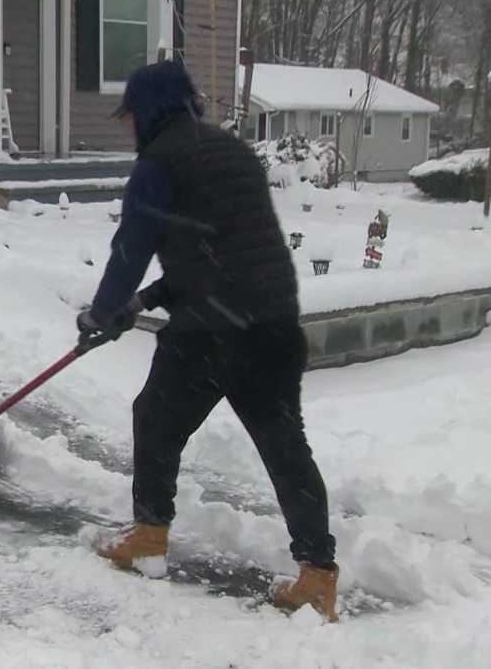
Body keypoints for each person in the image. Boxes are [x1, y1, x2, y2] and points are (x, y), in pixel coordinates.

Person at [75, 60, 340, 622]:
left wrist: (102, 313)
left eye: (130, 117)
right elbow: (218, 249)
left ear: (146, 113)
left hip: (212, 334)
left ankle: (149, 536)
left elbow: (132, 246)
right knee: (285, 446)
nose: (129, 128)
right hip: (272, 325)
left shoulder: (158, 164)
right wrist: (142, 302)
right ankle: (318, 573)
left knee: (154, 417)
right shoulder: (232, 152)